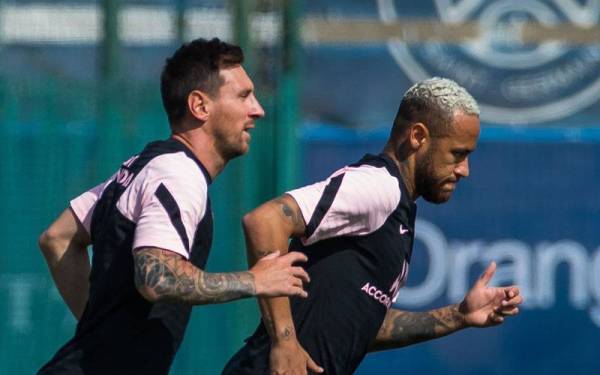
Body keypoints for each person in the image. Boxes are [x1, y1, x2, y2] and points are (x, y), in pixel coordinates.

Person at [37, 37, 311, 375]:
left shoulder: (147, 166)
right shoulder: (178, 174)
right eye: (243, 96)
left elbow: (57, 238)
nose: (258, 109)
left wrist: (99, 331)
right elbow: (156, 277)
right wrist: (254, 280)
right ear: (200, 106)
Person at [222, 77, 524, 375]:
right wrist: (284, 342)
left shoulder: (399, 208)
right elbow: (265, 221)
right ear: (418, 136)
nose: (465, 170)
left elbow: (361, 325)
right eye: (458, 154)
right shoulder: (379, 186)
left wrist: (459, 315)